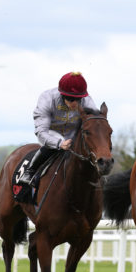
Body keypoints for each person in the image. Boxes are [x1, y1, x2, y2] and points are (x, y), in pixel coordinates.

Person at [15, 71, 98, 199]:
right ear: (62, 94)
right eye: (70, 99)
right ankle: (30, 172)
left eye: (78, 99)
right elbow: (41, 132)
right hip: (52, 133)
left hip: (74, 134)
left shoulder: (87, 100)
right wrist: (59, 144)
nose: (75, 103)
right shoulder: (47, 98)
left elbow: (94, 124)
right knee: (59, 139)